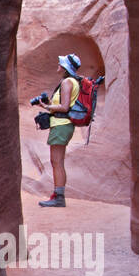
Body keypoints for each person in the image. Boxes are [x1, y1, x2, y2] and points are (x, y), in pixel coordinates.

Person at [37, 53, 82, 208]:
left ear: (65, 68)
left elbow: (64, 107)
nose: (58, 65)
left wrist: (46, 107)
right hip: (63, 124)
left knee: (56, 162)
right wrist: (48, 104)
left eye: (60, 64)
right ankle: (58, 195)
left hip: (61, 124)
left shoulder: (67, 82)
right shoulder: (71, 81)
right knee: (58, 162)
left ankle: (58, 197)